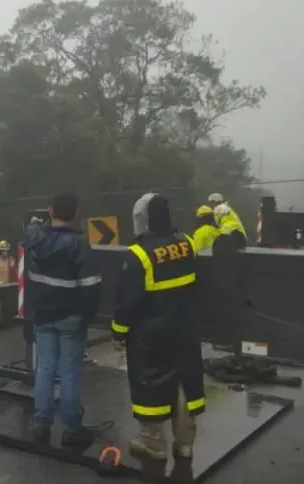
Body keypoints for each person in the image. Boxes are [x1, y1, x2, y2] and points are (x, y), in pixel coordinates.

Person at [111, 192, 204, 461]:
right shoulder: (187, 244)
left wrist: (118, 331)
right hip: (184, 329)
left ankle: (153, 442)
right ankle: (185, 442)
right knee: (184, 381)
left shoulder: (138, 254)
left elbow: (127, 301)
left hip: (150, 337)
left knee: (150, 382)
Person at [23, 193, 102, 446]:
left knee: (45, 369)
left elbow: (30, 230)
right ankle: (71, 429)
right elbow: (90, 285)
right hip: (70, 316)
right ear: (76, 213)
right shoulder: (79, 243)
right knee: (69, 372)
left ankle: (41, 425)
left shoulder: (35, 236)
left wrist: (37, 222)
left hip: (42, 315)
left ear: (50, 210)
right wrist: (88, 314)